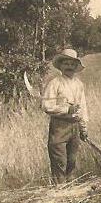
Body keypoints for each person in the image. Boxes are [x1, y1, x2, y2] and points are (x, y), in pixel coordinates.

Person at [41, 49, 89, 184]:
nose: (69, 67)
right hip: (60, 126)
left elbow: (83, 107)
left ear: (75, 67)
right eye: (66, 63)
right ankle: (59, 190)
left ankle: (71, 189)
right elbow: (46, 106)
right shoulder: (55, 83)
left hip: (74, 126)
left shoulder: (79, 84)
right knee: (59, 160)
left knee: (72, 160)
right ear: (60, 66)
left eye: (72, 64)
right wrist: (67, 109)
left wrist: (83, 127)